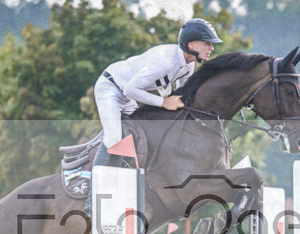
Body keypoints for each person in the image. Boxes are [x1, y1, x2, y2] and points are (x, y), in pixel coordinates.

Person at [92, 18, 222, 169]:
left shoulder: (188, 65)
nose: (211, 48)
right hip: (110, 88)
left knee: (144, 133)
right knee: (114, 139)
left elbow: (182, 98)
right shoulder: (164, 62)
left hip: (127, 95)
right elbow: (130, 89)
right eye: (207, 43)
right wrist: (164, 102)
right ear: (191, 44)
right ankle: (93, 190)